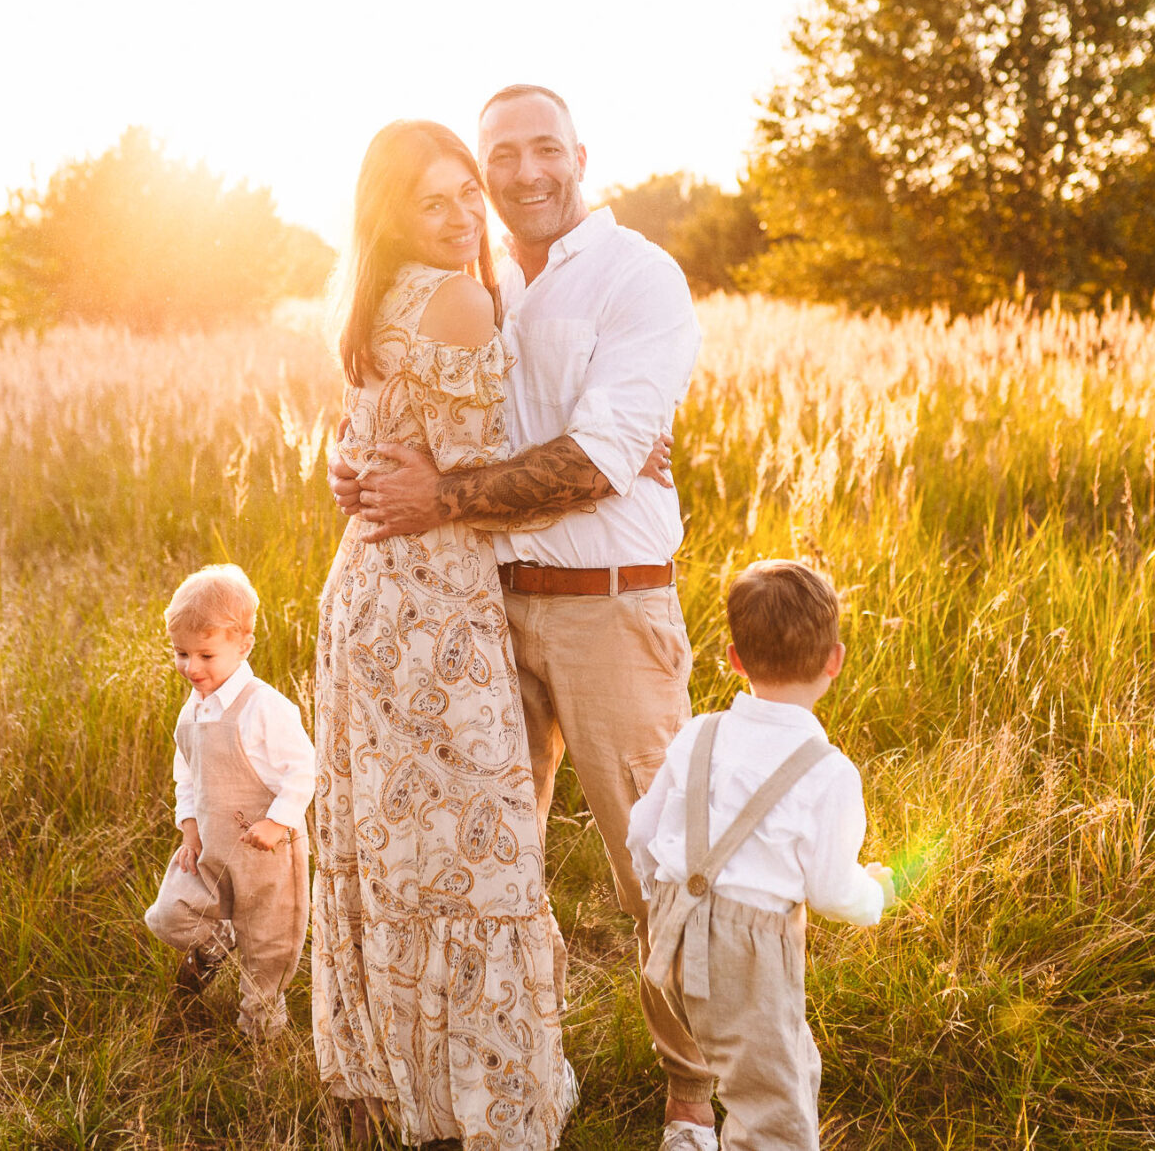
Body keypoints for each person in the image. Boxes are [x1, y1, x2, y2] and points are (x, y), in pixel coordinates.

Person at [338, 84, 716, 1148]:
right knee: (493, 860)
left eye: (544, 148)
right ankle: (513, 1067)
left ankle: (696, 1089)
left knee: (657, 861)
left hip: (608, 612)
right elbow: (423, 419)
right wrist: (363, 474)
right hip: (484, 611)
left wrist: (443, 496)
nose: (523, 172)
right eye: (500, 155)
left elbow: (597, 458)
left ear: (581, 154)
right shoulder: (483, 280)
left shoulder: (638, 276)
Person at [312, 119, 575, 1149]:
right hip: (433, 608)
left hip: (367, 593)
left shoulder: (371, 300)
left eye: (470, 192)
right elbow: (482, 482)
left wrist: (350, 466)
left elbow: (364, 440)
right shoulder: (461, 299)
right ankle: (486, 1102)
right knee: (479, 852)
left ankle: (404, 1087)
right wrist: (603, 461)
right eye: (437, 202)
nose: (468, 213)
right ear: (394, 215)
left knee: (396, 846)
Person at [627, 559, 898, 1151]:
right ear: (835, 660)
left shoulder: (699, 733)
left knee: (777, 1061)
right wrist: (875, 894)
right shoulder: (828, 773)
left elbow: (643, 829)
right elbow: (829, 890)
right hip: (746, 959)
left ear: (734, 658)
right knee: (774, 1112)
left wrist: (668, 901)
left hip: (672, 941)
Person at [143, 563, 313, 1040]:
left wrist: (278, 823)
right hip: (215, 847)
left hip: (268, 854)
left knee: (269, 945)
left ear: (243, 644)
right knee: (172, 912)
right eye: (181, 654)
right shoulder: (192, 711)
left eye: (205, 655)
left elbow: (303, 769)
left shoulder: (265, 708)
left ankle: (259, 1033)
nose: (191, 668)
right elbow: (188, 773)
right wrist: (190, 828)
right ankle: (219, 938)